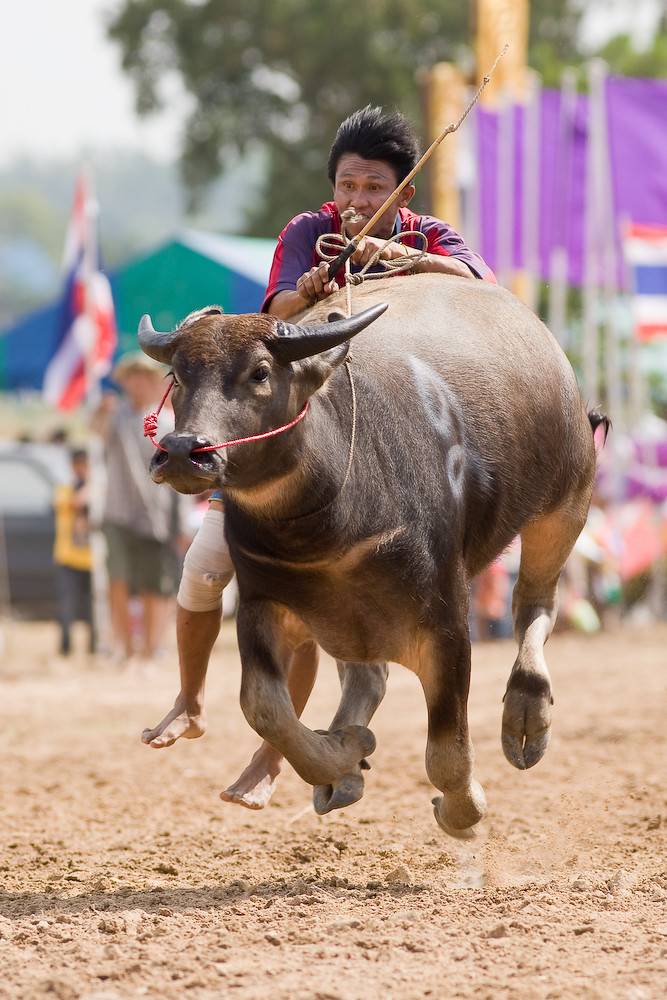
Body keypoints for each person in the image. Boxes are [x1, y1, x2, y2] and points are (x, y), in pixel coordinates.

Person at [142, 105, 496, 807]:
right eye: (348, 185)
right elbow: (274, 310)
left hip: (401, 440)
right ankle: (193, 697)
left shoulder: (429, 236)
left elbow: (482, 296)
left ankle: (288, 752)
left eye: (374, 189)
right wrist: (304, 295)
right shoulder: (310, 232)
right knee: (211, 563)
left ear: (403, 194)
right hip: (305, 434)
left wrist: (409, 262)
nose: (358, 201)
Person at [95, 352, 191, 670]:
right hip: (118, 511)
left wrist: (181, 525)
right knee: (118, 579)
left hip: (157, 515)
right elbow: (94, 429)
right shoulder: (114, 415)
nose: (137, 382)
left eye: (144, 376)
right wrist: (100, 410)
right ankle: (123, 647)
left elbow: (179, 476)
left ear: (153, 383)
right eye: (131, 376)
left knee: (155, 584)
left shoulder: (165, 423)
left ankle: (152, 649)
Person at [52, 447, 95, 658]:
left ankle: (93, 648)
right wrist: (91, 486)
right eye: (78, 465)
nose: (82, 469)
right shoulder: (66, 489)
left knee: (93, 610)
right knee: (66, 608)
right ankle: (65, 649)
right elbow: (75, 502)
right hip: (68, 557)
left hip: (92, 559)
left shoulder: (95, 491)